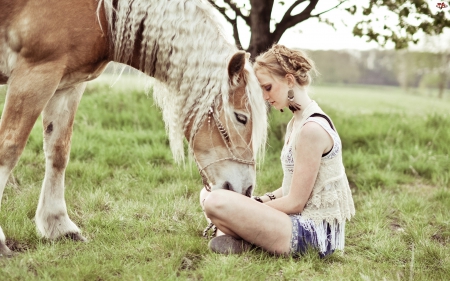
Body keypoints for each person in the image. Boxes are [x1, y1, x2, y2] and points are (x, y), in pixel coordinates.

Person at [199, 44, 355, 257]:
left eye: (268, 87)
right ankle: (246, 239)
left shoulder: (312, 129)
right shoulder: (297, 122)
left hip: (315, 236)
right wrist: (258, 202)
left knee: (216, 201)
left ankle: (239, 236)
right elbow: (293, 186)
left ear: (289, 80)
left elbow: (296, 202)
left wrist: (247, 209)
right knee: (208, 194)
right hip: (295, 223)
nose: (264, 96)